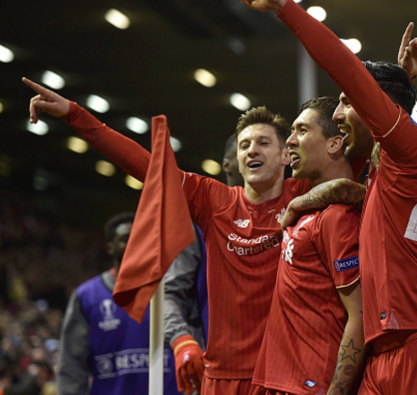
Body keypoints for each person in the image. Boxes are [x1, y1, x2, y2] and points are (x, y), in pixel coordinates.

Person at [24, 78, 360, 395]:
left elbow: (356, 163)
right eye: (244, 145)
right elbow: (145, 165)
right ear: (237, 162)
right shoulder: (216, 201)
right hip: (221, 376)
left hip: (281, 375)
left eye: (263, 143)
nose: (251, 151)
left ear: (286, 155)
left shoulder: (304, 192)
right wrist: (74, 114)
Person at [241, 0, 417, 394]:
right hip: (387, 351)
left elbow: (345, 67)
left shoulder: (405, 149)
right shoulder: (389, 164)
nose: (337, 116)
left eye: (346, 103)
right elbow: (356, 190)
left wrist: (285, 7)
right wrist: (404, 80)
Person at [253, 96, 365, 395]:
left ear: (334, 144)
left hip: (312, 384)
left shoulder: (339, 218)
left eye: (302, 131)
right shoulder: (308, 209)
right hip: (279, 380)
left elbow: (361, 314)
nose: (290, 141)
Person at [56, 212, 181, 395]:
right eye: (125, 239)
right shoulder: (86, 297)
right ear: (110, 247)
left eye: (139, 238)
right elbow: (71, 369)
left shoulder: (170, 291)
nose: (133, 243)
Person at [163, 133, 244, 394]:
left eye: (265, 145)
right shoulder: (198, 224)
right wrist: (181, 339)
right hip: (216, 372)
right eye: (245, 147)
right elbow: (169, 294)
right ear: (227, 164)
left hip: (275, 370)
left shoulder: (287, 217)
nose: (256, 153)